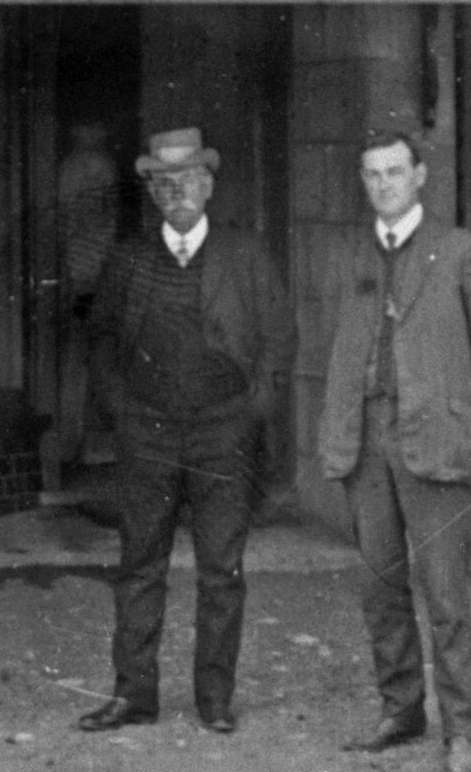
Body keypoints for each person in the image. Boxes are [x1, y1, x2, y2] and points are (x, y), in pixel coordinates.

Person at [78, 127, 294, 736]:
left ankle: (215, 697)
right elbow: (101, 343)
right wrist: (122, 411)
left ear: (208, 185)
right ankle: (133, 694)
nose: (177, 193)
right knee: (140, 564)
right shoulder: (129, 260)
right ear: (152, 192)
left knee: (220, 568)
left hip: (222, 432)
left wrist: (250, 414)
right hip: (147, 431)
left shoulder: (244, 255)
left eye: (187, 181)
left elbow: (279, 339)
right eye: (164, 184)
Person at [321, 129, 471, 772]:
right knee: (379, 587)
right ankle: (401, 710)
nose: (383, 184)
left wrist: (463, 421)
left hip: (435, 442)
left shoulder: (462, 252)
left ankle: (463, 732)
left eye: (395, 172)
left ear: (421, 175)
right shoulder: (352, 255)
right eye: (371, 174)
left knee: (445, 595)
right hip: (367, 445)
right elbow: (344, 351)